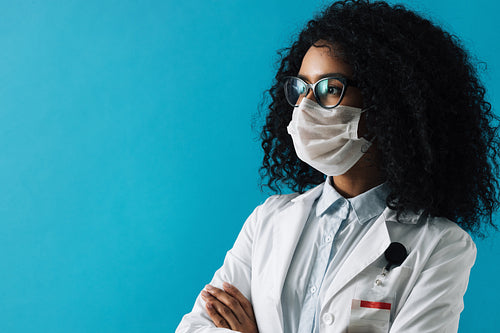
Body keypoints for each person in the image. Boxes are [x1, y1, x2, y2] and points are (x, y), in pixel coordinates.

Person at [176, 0, 499, 332]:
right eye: (301, 88)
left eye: (330, 89)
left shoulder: (441, 246)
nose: (305, 107)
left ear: (388, 101)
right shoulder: (267, 222)